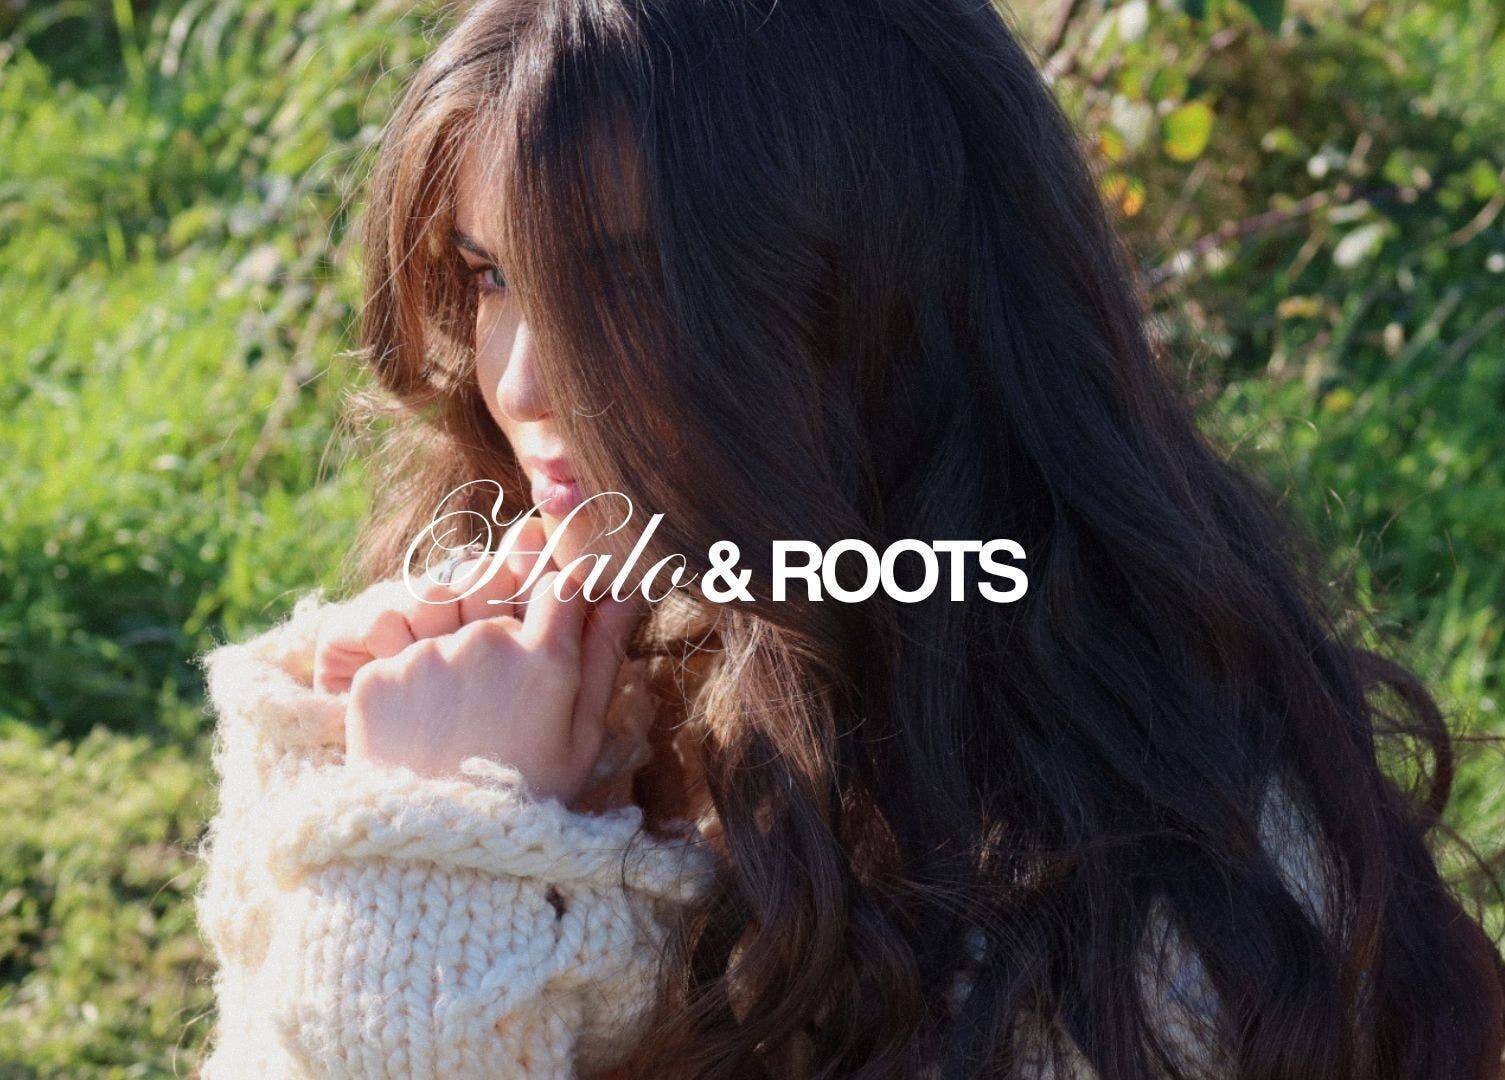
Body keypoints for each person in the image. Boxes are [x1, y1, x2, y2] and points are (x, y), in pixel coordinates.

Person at [190, 0, 1505, 1076]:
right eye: (489, 274)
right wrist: (354, 808)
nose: (515, 379)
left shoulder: (1134, 934)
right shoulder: (585, 665)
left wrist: (428, 867)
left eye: (627, 280)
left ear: (873, 317)